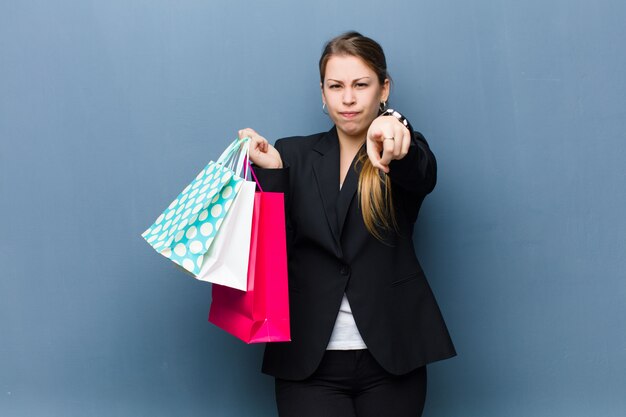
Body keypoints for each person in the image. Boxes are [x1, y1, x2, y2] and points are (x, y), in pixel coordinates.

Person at [240, 31, 456, 417]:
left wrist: (395, 129)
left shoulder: (399, 147)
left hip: (393, 358)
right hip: (308, 361)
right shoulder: (291, 153)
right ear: (322, 94)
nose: (349, 98)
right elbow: (269, 248)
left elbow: (422, 173)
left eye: (361, 85)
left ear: (383, 88)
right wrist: (271, 174)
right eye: (336, 86)